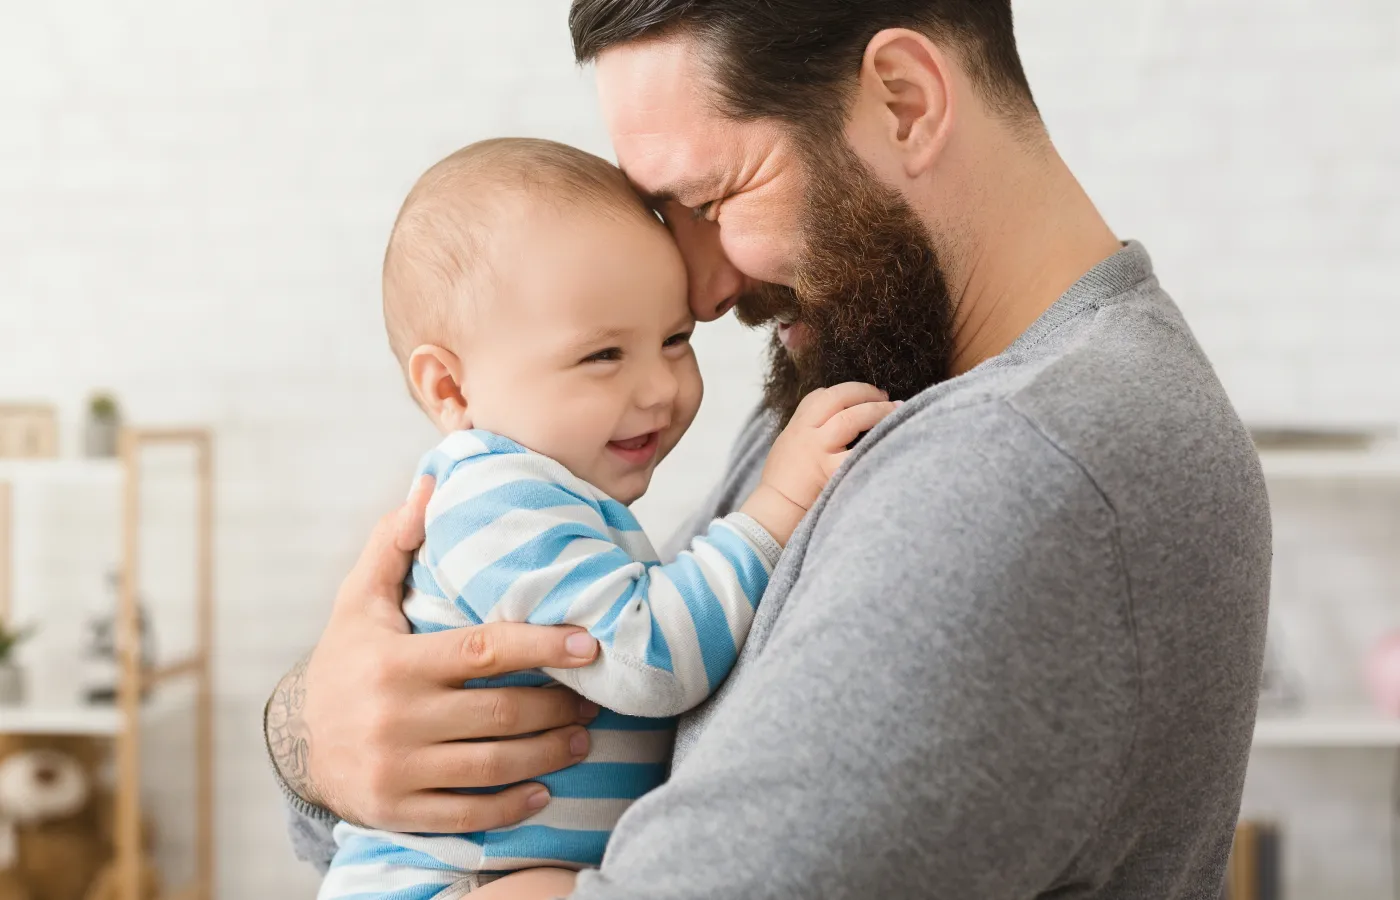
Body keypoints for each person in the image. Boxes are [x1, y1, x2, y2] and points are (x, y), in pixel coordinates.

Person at [267, 3, 1274, 898]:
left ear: (904, 101)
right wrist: (321, 736)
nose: (700, 293)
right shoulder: (872, 368)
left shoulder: (1021, 465)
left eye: (710, 203)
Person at [315, 138, 896, 900]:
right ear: (450, 388)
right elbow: (649, 655)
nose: (659, 387)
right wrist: (776, 508)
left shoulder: (551, 498)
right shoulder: (496, 503)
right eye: (602, 357)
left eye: (674, 340)